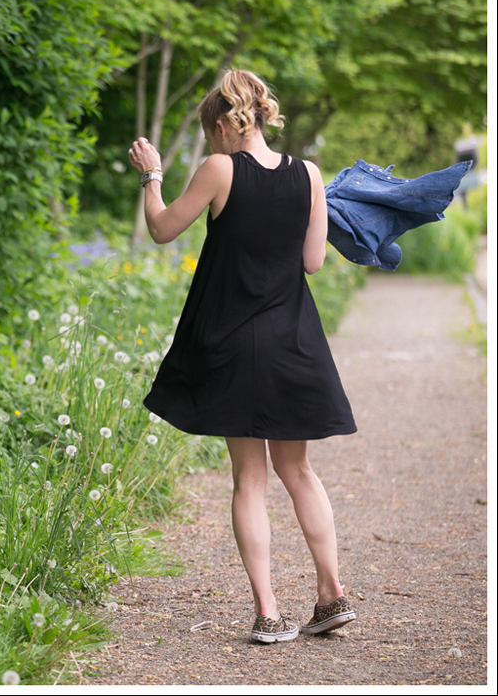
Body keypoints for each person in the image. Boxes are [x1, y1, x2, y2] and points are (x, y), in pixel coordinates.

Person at [128, 69, 357, 644]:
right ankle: (332, 595)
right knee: (298, 470)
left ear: (223, 126)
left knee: (249, 479)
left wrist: (152, 175)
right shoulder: (309, 173)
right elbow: (312, 263)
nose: (211, 145)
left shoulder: (219, 170)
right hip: (293, 340)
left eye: (210, 134)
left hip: (233, 341)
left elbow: (161, 230)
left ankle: (269, 612)